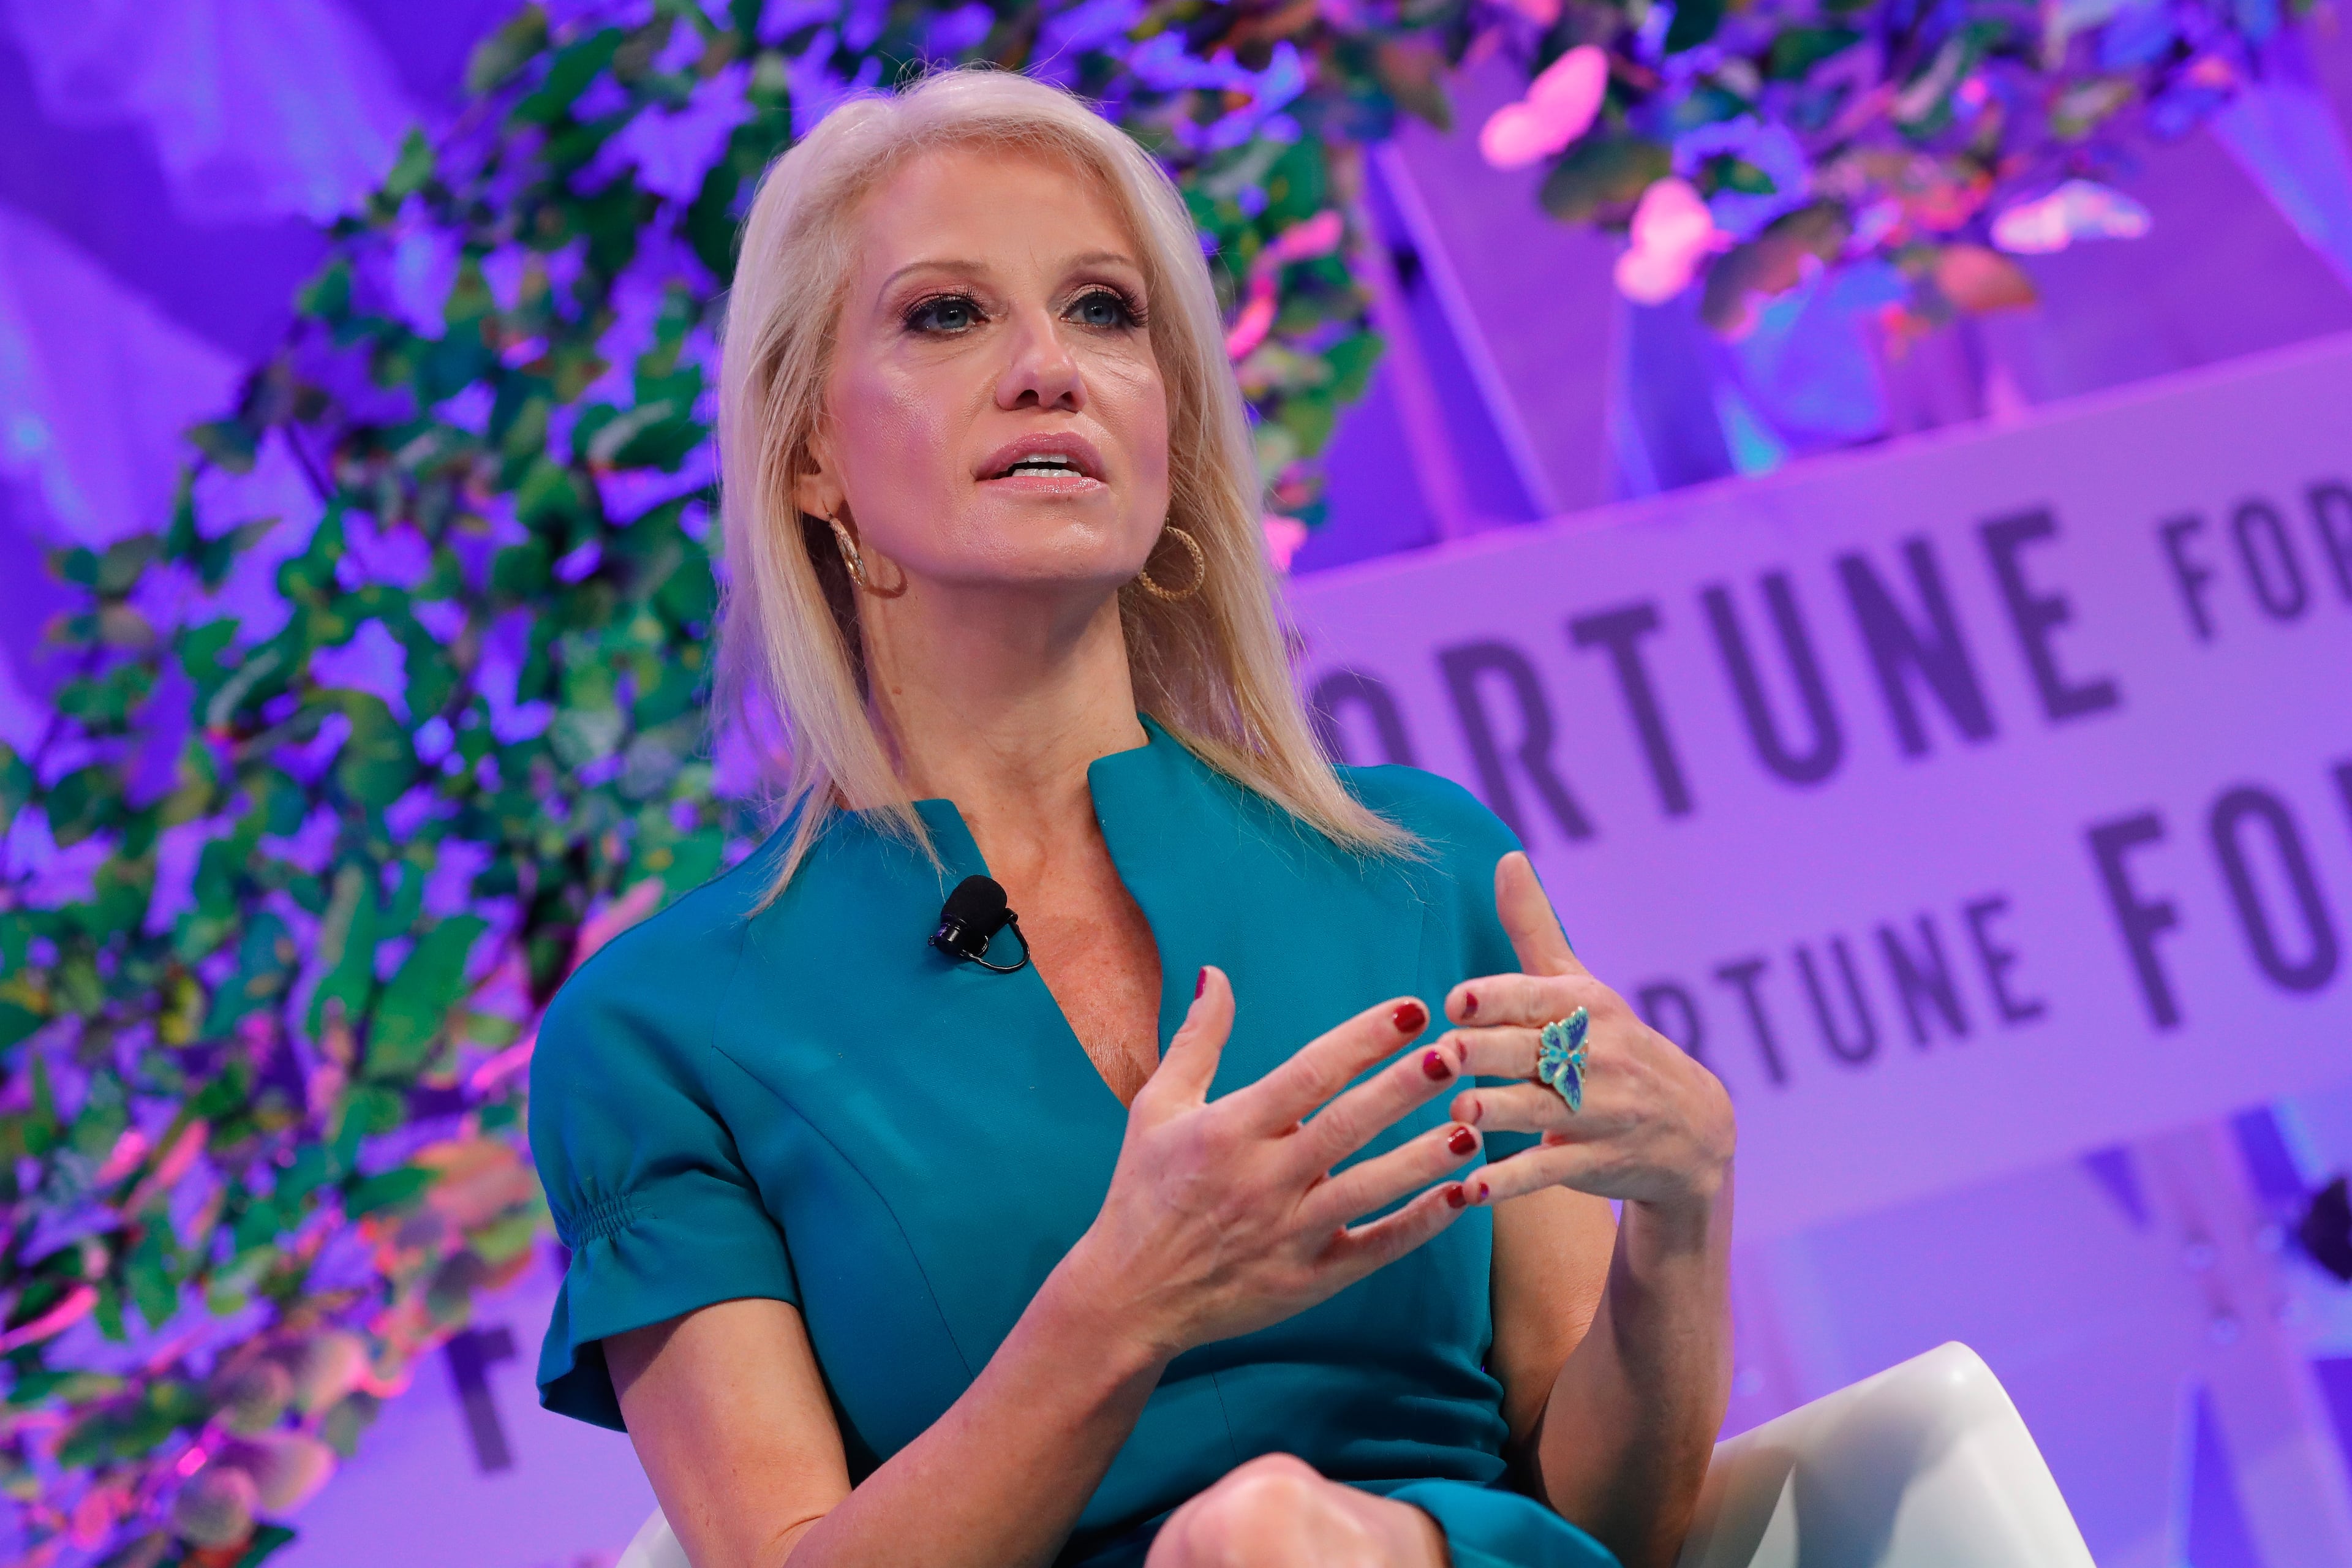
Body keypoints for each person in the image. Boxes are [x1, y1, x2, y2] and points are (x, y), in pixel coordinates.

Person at [529, 66, 1736, 1568]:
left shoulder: (1417, 863)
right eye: (947, 315)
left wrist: (1684, 1211)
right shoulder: (656, 1034)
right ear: (810, 455)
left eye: (1104, 310)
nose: (1050, 367)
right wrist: (1125, 1301)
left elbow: (1615, 1519)